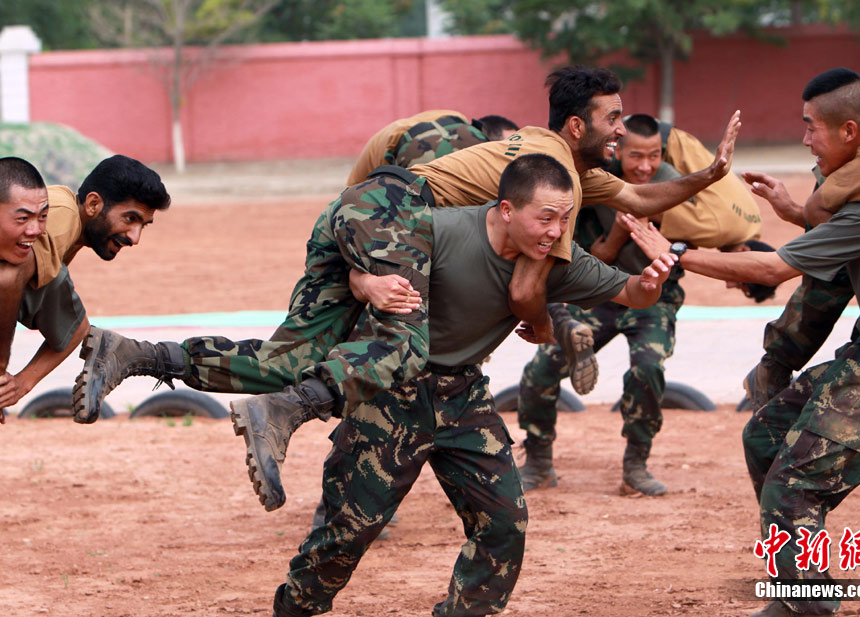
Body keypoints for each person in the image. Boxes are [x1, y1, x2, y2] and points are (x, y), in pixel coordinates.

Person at [73, 65, 740, 509]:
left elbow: (640, 197)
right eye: (612, 118)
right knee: (404, 345)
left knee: (285, 358)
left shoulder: (561, 161)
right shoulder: (551, 179)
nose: (623, 128)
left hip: (357, 212)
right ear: (576, 126)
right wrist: (543, 327)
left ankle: (132, 355)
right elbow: (524, 293)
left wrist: (710, 174)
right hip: (389, 213)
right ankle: (284, 411)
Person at [263, 153, 678, 617]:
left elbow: (631, 292)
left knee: (504, 523)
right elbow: (346, 269)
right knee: (348, 532)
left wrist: (651, 282)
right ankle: (294, 609)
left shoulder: (557, 259)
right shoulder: (439, 229)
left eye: (565, 219)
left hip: (463, 395)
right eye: (545, 218)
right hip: (390, 392)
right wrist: (364, 281)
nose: (556, 231)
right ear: (506, 209)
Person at [625, 136, 860, 616]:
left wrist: (675, 251)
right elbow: (830, 254)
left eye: (813, 129)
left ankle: (806, 604)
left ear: (851, 137)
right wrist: (798, 214)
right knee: (765, 437)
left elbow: (772, 270)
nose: (807, 142)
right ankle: (800, 579)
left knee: (794, 486)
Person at [517, 113, 776, 495]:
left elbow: (706, 241)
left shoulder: (675, 187)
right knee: (542, 367)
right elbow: (591, 257)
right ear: (618, 150)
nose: (645, 166)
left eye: (653, 155)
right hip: (601, 290)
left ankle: (635, 466)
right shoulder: (599, 181)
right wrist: (618, 233)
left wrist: (670, 246)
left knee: (648, 369)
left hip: (655, 296)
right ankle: (538, 462)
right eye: (636, 156)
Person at [741, 71, 860, 410]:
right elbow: (817, 210)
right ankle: (776, 365)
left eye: (810, 130)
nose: (804, 140)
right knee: (838, 259)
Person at [3, 155, 170, 409]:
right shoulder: (64, 217)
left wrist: (18, 386)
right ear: (93, 204)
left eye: (143, 226)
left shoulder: (65, 228)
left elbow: (76, 330)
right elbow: (9, 277)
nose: (135, 238)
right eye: (130, 219)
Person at [0, 157, 55, 417]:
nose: (35, 230)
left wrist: (18, 384)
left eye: (42, 217)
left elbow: (77, 327)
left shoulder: (42, 253)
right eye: (22, 218)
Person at [345, 110, 508, 186]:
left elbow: (351, 200)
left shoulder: (380, 140)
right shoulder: (451, 113)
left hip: (411, 148)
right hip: (463, 132)